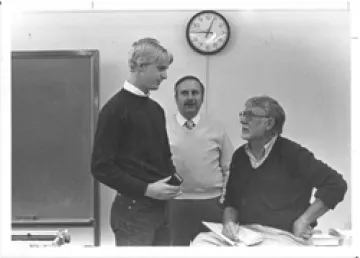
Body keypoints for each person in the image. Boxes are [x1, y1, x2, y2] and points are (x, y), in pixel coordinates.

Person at [192, 95, 347, 246]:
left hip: (280, 236)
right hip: (245, 235)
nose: (243, 120)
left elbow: (336, 184)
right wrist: (229, 223)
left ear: (269, 123)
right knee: (201, 243)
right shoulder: (239, 156)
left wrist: (304, 220)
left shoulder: (292, 153)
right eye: (243, 114)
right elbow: (231, 202)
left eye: (250, 115)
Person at [91, 38, 181, 246]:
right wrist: (146, 189)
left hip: (161, 209)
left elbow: (163, 156)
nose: (165, 76)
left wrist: (172, 180)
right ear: (140, 65)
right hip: (133, 213)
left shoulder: (156, 109)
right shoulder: (114, 110)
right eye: (160, 68)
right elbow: (100, 167)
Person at [166, 75, 234, 245]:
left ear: (202, 98)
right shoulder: (162, 128)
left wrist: (225, 199)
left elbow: (229, 168)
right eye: (184, 93)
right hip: (175, 204)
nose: (190, 98)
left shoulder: (216, 128)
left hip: (211, 204)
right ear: (176, 98)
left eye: (195, 93)